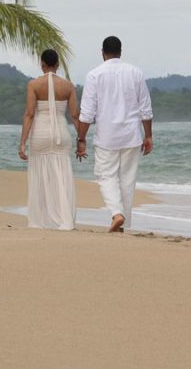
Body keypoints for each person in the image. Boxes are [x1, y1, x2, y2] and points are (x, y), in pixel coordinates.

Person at [76, 36, 154, 233]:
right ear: (121, 51)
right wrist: (148, 136)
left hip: (107, 137)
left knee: (105, 176)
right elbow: (145, 109)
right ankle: (123, 224)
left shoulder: (94, 75)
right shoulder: (136, 73)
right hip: (131, 136)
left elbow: (87, 114)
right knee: (127, 180)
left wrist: (81, 139)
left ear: (102, 52)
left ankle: (117, 214)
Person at [19, 49, 81, 230]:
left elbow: (30, 114)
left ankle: (41, 219)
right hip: (62, 133)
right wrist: (82, 139)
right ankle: (64, 217)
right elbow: (75, 116)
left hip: (40, 134)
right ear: (58, 64)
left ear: (42, 64)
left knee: (40, 174)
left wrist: (22, 142)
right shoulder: (68, 86)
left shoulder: (34, 85)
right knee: (62, 175)